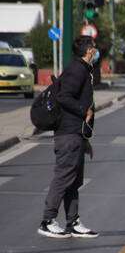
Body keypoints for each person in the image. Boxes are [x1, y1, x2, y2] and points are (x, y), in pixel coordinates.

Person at [38, 36, 99, 238]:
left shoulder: (83, 70)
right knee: (64, 177)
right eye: (94, 48)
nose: (96, 52)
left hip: (77, 134)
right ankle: (48, 220)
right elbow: (64, 96)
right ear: (89, 50)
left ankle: (72, 222)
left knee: (73, 180)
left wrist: (86, 139)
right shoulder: (77, 69)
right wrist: (85, 112)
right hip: (68, 134)